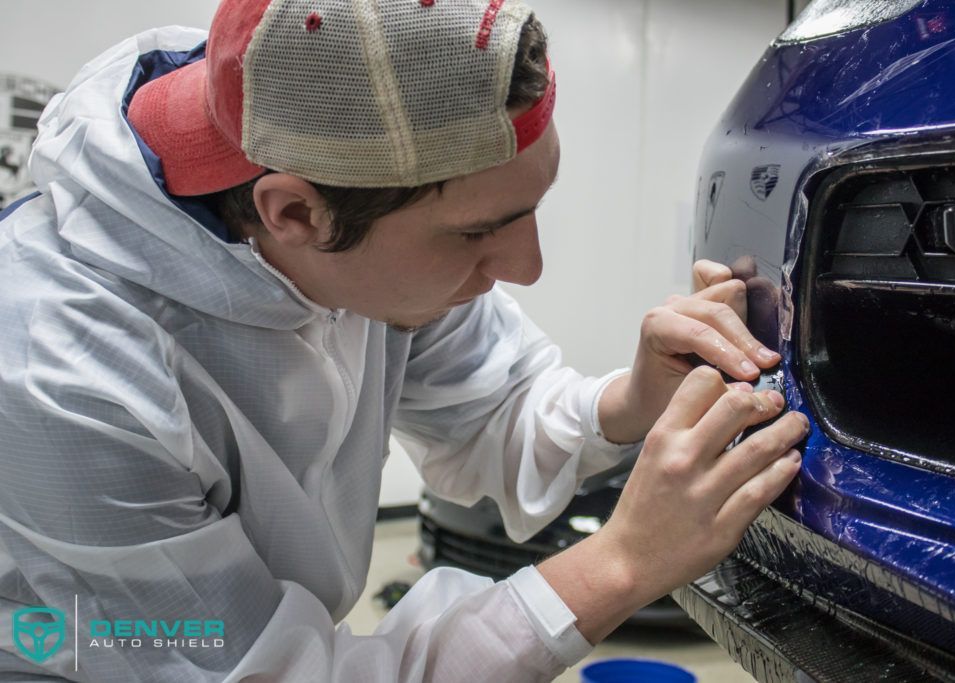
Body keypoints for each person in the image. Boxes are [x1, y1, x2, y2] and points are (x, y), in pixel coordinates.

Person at [0, 0, 808, 680]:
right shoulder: (63, 376)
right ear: (293, 214)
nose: (525, 267)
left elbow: (495, 406)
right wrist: (620, 562)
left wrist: (634, 398)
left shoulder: (337, 189)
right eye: (477, 234)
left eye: (531, 209)